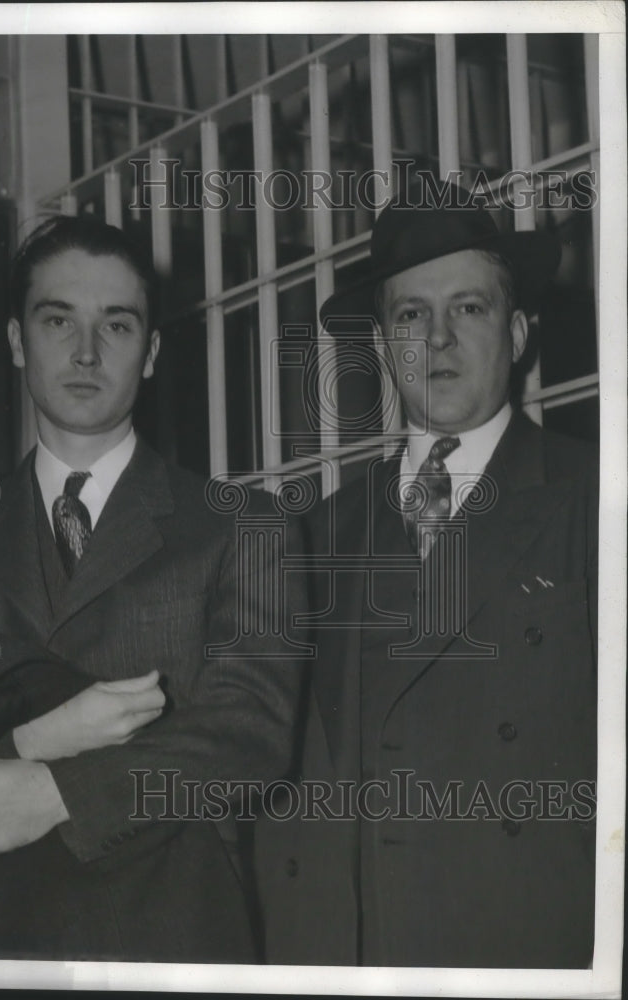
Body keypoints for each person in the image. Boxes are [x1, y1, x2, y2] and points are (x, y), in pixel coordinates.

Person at [0, 215, 303, 962]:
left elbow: (249, 738)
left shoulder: (243, 527)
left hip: (166, 936)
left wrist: (62, 793)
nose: (84, 352)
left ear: (151, 353)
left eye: (116, 324)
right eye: (57, 320)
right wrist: (34, 742)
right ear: (17, 341)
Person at [256, 182, 598, 968]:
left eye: (468, 309)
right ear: (382, 344)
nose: (436, 339)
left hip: (530, 946)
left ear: (515, 334)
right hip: (360, 950)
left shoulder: (596, 502)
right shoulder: (311, 536)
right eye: (410, 315)